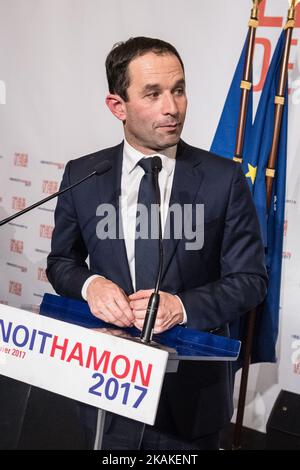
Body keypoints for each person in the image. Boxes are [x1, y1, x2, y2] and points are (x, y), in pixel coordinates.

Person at [47, 37, 267, 450]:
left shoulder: (223, 179)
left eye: (179, 90)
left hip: (190, 404)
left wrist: (181, 306)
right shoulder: (84, 174)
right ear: (118, 106)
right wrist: (90, 285)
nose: (173, 107)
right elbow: (62, 261)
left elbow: (250, 279)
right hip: (105, 390)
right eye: (153, 94)